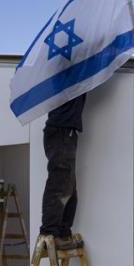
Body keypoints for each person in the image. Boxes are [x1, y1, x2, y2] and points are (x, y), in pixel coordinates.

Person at [40, 94, 86, 250]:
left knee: (68, 187)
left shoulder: (73, 80)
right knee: (59, 185)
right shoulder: (68, 78)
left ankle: (63, 233)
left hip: (65, 132)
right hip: (61, 131)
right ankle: (50, 233)